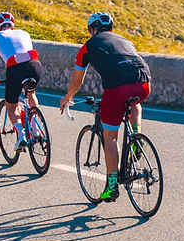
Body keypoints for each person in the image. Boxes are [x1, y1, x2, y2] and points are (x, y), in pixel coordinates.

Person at [59, 11, 151, 202]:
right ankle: (136, 137)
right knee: (135, 102)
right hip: (143, 82)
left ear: (92, 30)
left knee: (110, 137)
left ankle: (111, 187)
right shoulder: (125, 40)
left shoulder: (88, 47)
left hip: (117, 87)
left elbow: (78, 79)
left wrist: (68, 97)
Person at [0, 11, 43, 152]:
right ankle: (35, 128)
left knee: (11, 105)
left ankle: (21, 136)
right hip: (35, 64)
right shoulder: (24, 32)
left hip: (15, 67)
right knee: (30, 92)